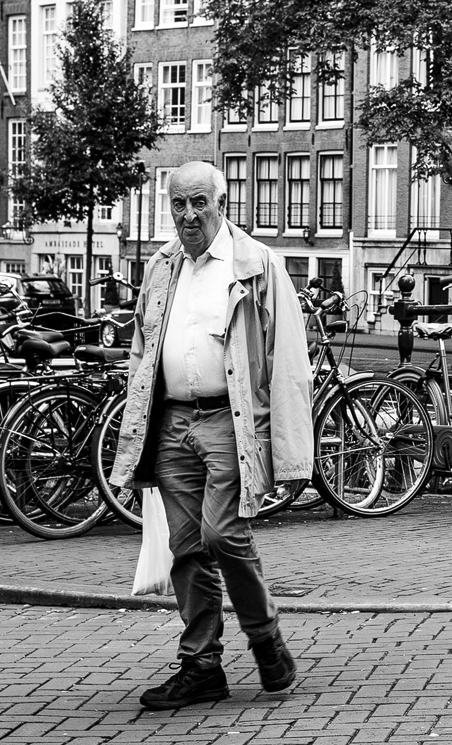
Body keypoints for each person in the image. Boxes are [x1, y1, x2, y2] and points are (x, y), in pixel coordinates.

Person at [111, 161, 313, 711]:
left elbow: (288, 362)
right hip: (173, 422)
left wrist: (291, 453)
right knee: (185, 548)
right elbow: (142, 350)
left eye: (199, 202)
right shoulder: (161, 267)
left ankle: (266, 638)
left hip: (230, 420)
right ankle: (201, 665)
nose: (188, 214)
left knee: (223, 534)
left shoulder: (257, 265)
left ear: (222, 203)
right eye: (178, 203)